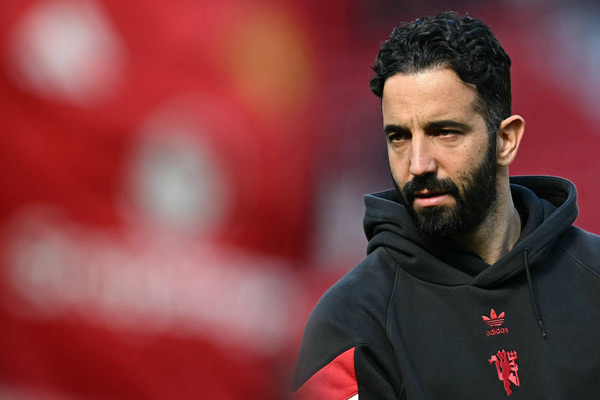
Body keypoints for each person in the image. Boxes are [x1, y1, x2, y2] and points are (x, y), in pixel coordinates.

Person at [291, 11, 600, 399]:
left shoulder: (594, 277)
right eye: (399, 137)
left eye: (444, 132)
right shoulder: (353, 323)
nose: (418, 164)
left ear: (506, 140)